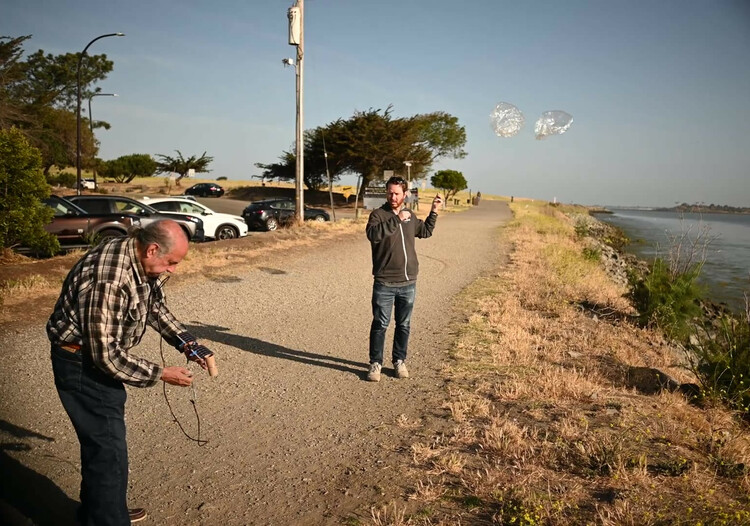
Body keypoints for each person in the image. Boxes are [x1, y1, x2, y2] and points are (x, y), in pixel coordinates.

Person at [47, 220, 213, 525]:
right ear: (152, 249)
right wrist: (162, 373)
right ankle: (109, 518)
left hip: (94, 358)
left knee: (103, 445)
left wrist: (191, 345)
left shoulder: (136, 257)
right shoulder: (108, 278)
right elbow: (105, 355)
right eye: (171, 262)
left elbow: (154, 308)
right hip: (81, 363)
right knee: (108, 450)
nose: (173, 270)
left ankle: (101, 509)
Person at [365, 176, 442, 382]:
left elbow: (424, 231)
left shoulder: (410, 215)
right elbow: (374, 235)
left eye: (397, 193)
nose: (393, 197)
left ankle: (399, 361)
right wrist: (397, 219)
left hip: (408, 282)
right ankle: (376, 363)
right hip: (384, 282)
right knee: (380, 324)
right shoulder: (378, 215)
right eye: (390, 192)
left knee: (404, 324)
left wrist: (433, 211)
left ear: (405, 194)